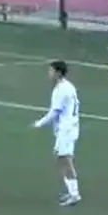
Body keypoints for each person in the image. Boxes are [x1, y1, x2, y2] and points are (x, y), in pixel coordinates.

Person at [32, 59, 81, 206]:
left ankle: (74, 194)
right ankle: (72, 192)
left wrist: (39, 123)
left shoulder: (61, 90)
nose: (49, 74)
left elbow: (54, 112)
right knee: (63, 159)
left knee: (64, 160)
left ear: (58, 73)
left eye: (51, 71)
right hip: (69, 127)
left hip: (67, 129)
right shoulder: (67, 87)